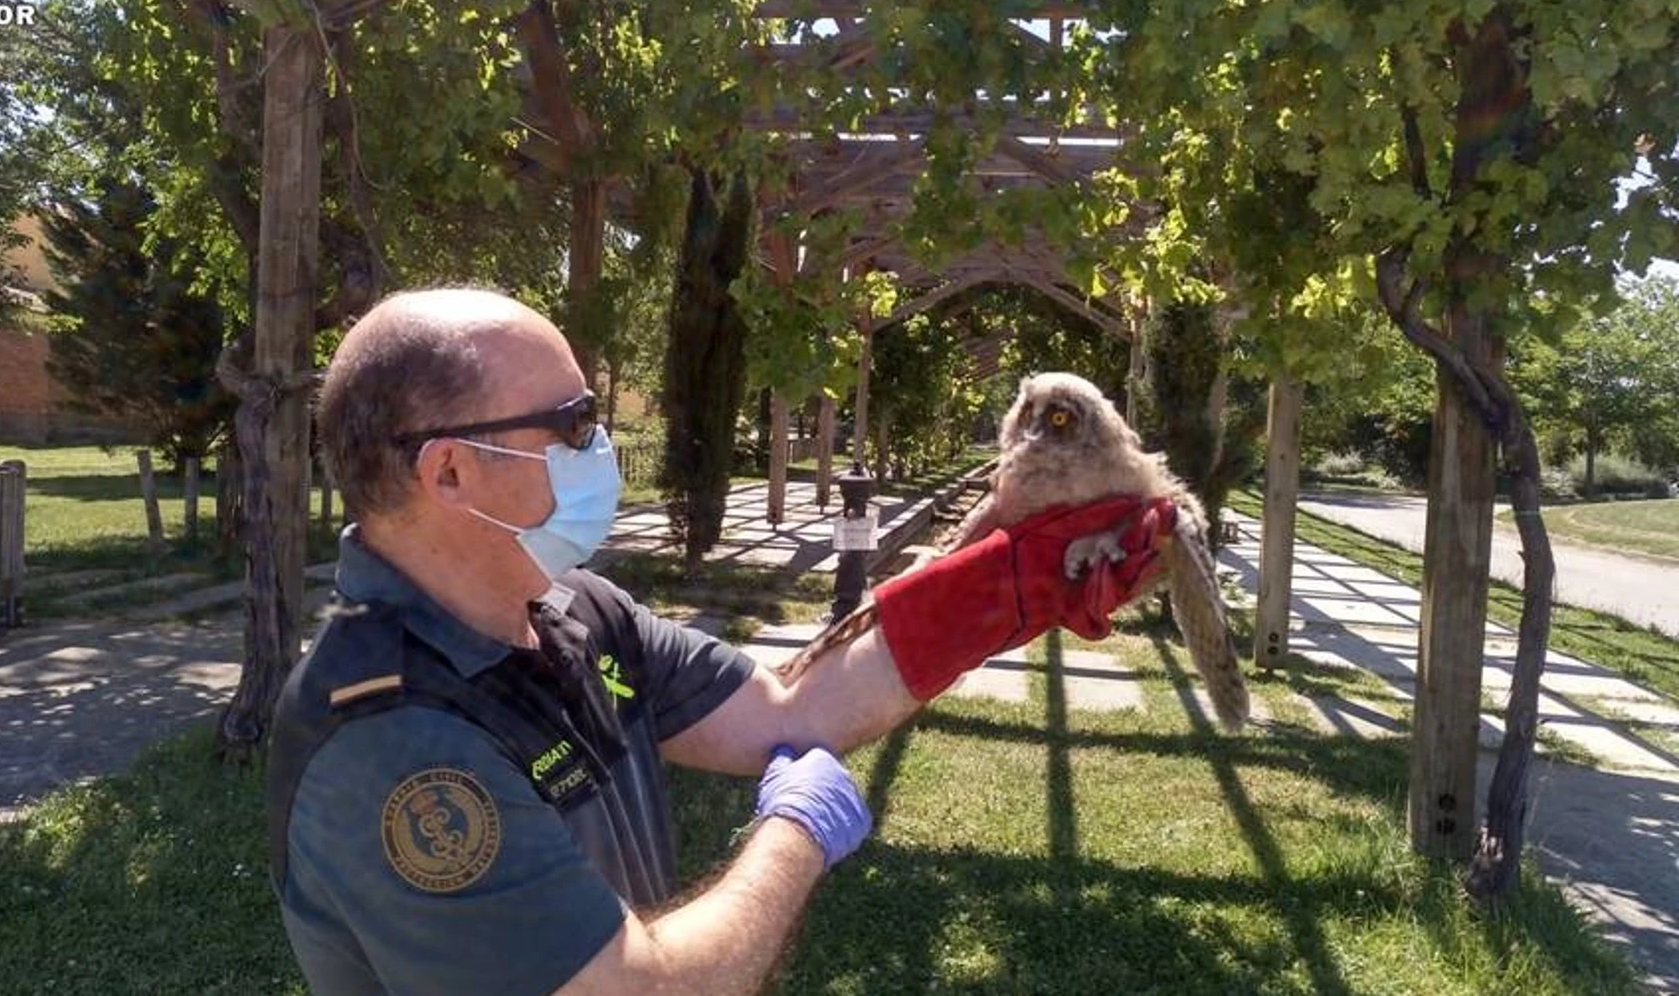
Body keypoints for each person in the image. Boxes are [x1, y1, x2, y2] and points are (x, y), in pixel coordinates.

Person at [266, 289, 1175, 996]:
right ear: (450, 470)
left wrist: (1003, 587)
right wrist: (796, 835)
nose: (604, 446)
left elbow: (790, 708)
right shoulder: (389, 743)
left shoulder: (577, 613)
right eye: (575, 423)